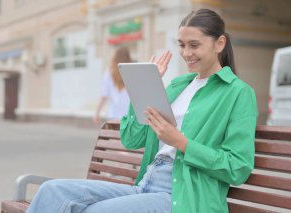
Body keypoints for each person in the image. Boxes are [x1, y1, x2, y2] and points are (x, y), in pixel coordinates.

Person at [26, 8, 258, 213]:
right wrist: (143, 86)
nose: (186, 53)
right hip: (146, 184)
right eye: (182, 45)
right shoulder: (178, 86)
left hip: (182, 196)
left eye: (194, 45)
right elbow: (131, 138)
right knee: (52, 191)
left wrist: (181, 143)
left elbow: (237, 168)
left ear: (220, 43)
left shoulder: (238, 93)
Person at [93, 46, 132, 125]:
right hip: (129, 116)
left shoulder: (108, 73)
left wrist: (97, 113)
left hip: (113, 115)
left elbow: (103, 96)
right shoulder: (132, 71)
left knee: (113, 136)